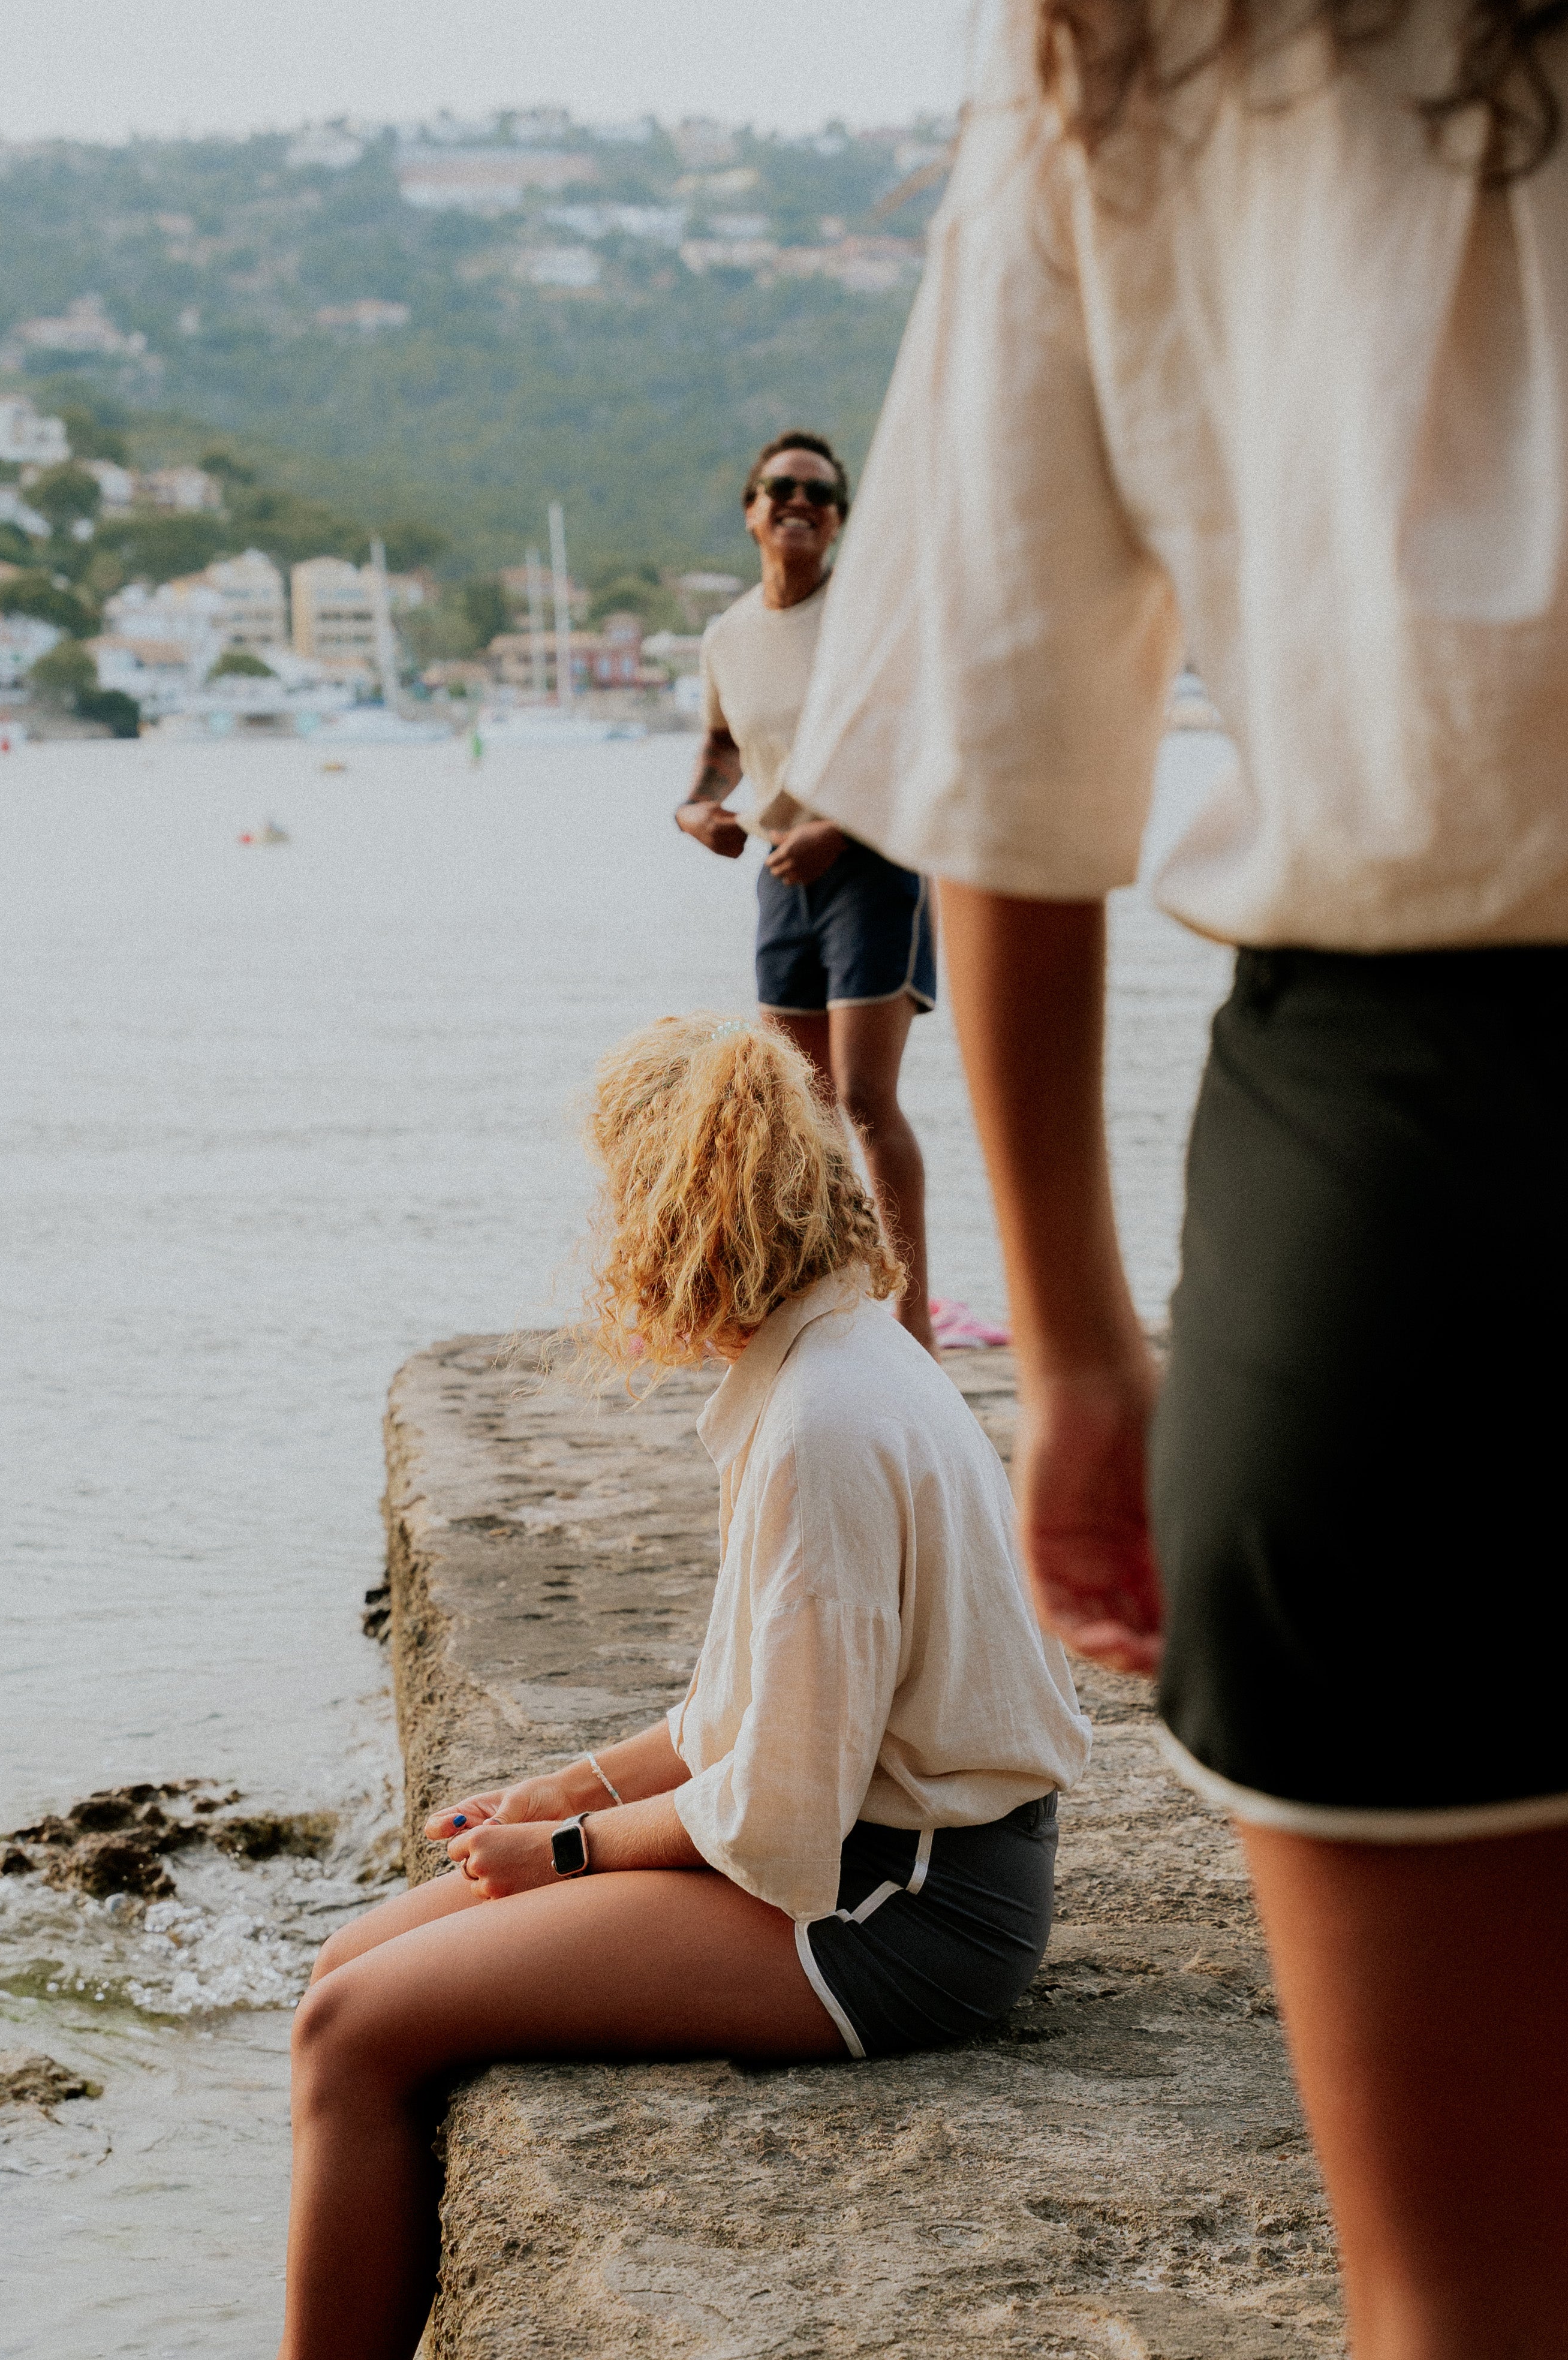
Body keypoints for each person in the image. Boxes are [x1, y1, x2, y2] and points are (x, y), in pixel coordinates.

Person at [785, 3, 1568, 2353]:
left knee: (1457, 2297)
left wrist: (1091, 1356)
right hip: (1392, 1159)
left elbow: (1010, 760)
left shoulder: (1123, 60)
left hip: (1399, 1192)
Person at [275, 1014, 1090, 2360]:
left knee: (353, 2030)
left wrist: (570, 1851)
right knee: (346, 1966)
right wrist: (564, 1788)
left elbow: (781, 1811)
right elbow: (755, 1713)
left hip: (903, 1909)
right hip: (876, 1863)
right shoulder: (836, 1364)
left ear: (673, 1219)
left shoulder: (823, 1425)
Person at [676, 432, 940, 1354]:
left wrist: (841, 828)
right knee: (803, 1106)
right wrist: (697, 809)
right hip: (785, 874)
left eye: (819, 495)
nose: (799, 503)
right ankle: (826, 1302)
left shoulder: (865, 617)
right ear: (751, 509)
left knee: (867, 1100)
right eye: (781, 489)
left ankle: (911, 1320)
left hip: (874, 865)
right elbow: (720, 747)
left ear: (837, 522)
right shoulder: (729, 635)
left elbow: (916, 744)